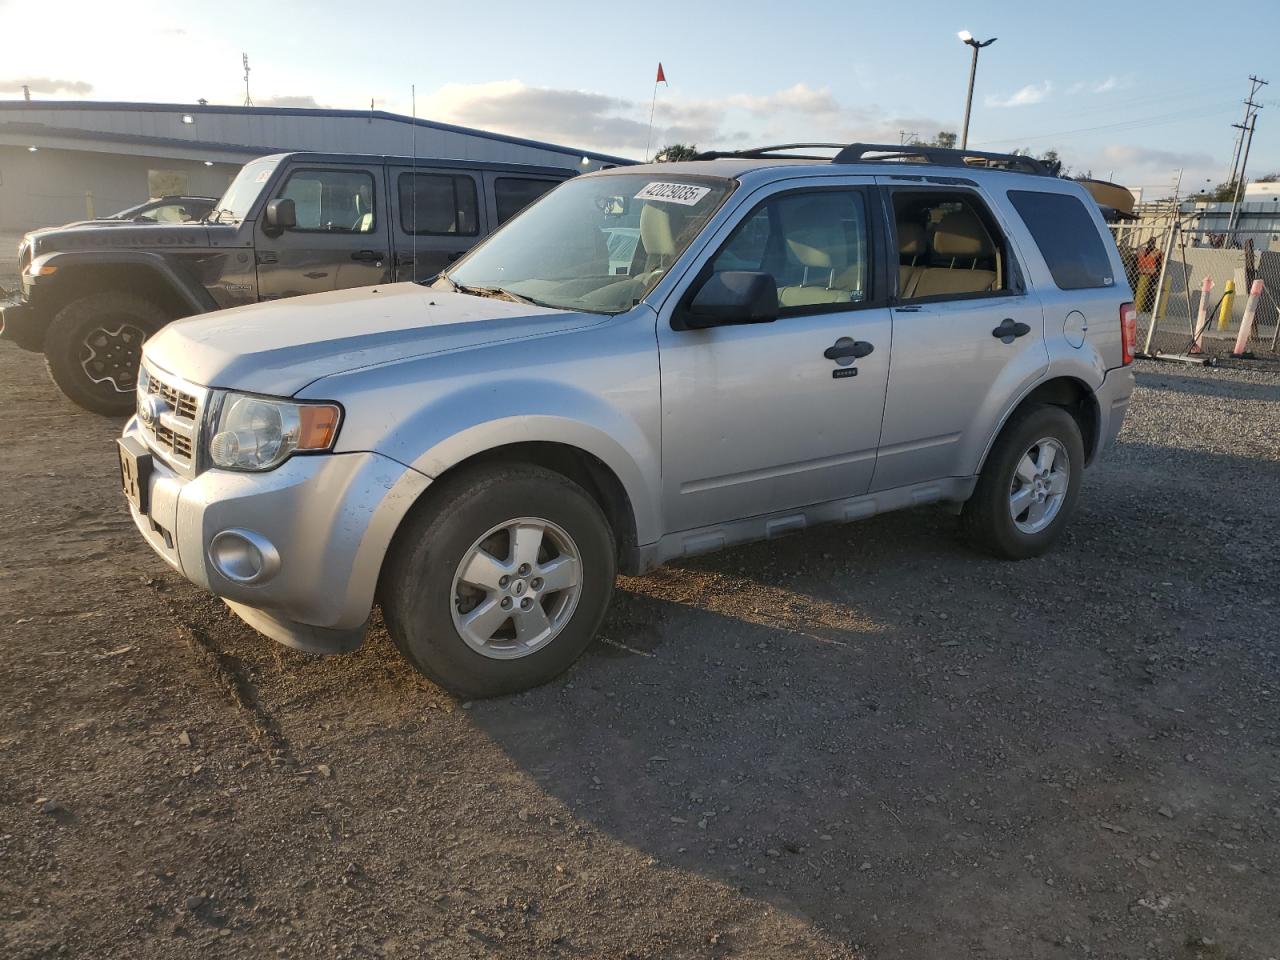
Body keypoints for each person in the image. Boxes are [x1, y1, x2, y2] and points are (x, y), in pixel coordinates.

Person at [1135, 237, 1162, 312]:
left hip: (1151, 276)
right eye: (1150, 242)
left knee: (1149, 292)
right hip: (1139, 274)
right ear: (1147, 242)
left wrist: (1157, 274)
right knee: (1137, 291)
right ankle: (1138, 307)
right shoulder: (1141, 250)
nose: (1151, 244)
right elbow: (1136, 261)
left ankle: (1146, 309)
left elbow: (1160, 265)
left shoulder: (1157, 252)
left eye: (1153, 242)